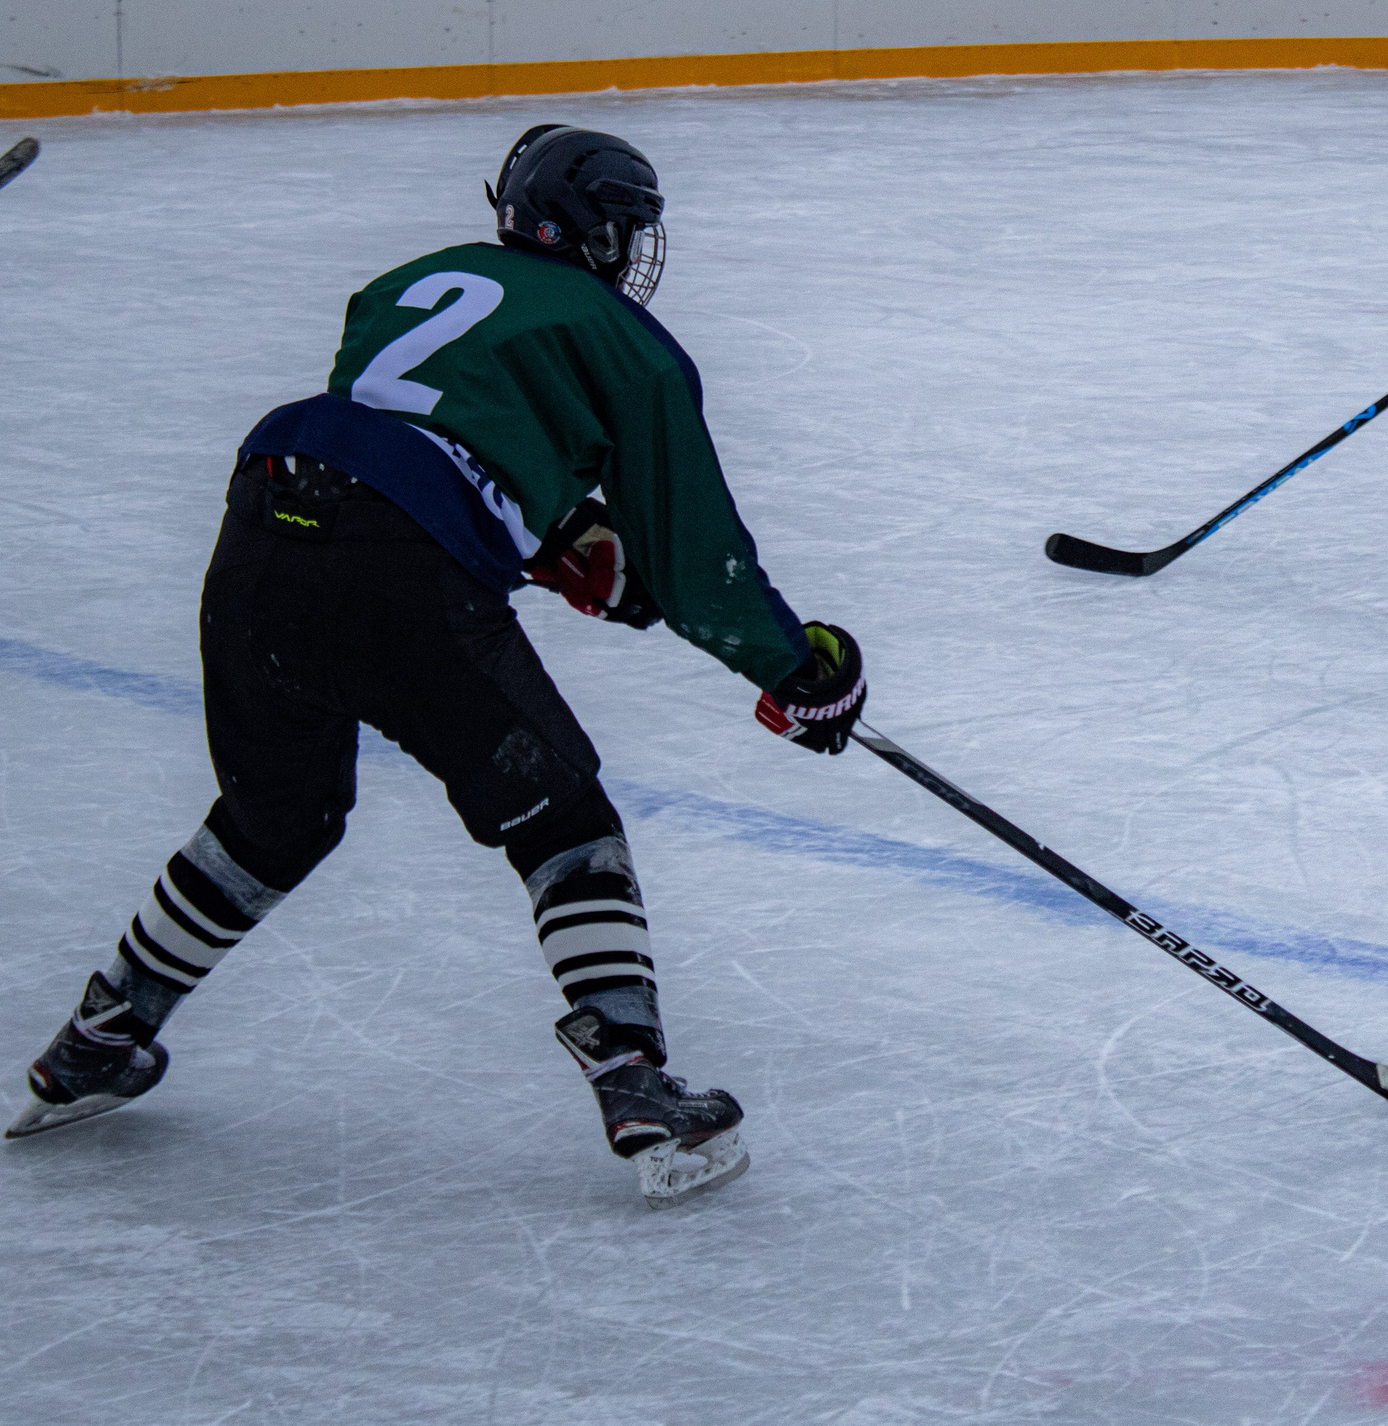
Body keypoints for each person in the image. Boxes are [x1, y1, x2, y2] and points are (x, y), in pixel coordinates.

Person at [6, 127, 867, 1205]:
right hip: (400, 579)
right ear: (598, 226)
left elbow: (420, 431)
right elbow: (697, 562)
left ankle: (95, 1038)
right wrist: (797, 669)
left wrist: (547, 541)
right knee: (565, 822)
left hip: (259, 534)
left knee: (274, 818)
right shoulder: (625, 338)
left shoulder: (404, 284)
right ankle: (636, 1085)